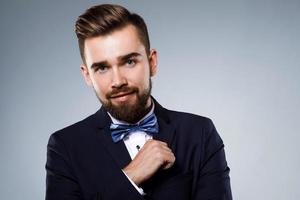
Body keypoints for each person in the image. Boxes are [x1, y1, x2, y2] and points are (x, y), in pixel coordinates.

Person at [45, 4, 232, 200]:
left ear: (152, 63)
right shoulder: (65, 147)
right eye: (102, 68)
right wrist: (130, 177)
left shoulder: (199, 133)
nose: (117, 81)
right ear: (87, 75)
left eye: (129, 62)